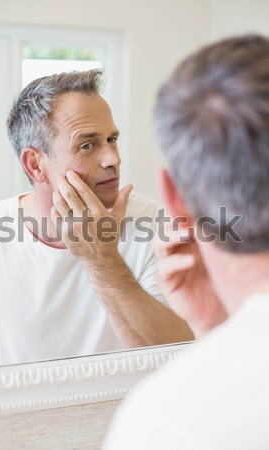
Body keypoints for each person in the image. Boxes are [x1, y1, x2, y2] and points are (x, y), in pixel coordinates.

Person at [104, 34, 269, 450]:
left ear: (174, 198)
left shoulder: (167, 422)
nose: (110, 160)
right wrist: (216, 331)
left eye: (112, 140)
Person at [0, 69, 192, 366]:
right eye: (87, 145)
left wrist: (101, 258)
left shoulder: (156, 223)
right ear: (35, 165)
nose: (113, 159)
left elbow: (177, 359)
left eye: (111, 139)